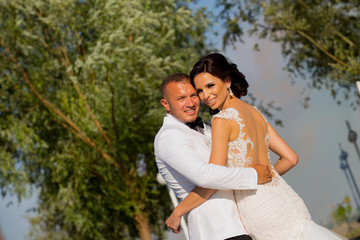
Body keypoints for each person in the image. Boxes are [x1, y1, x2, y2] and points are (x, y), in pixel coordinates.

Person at [166, 53, 347, 240]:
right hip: (285, 199)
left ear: (227, 81)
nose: (205, 96)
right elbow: (291, 158)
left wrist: (178, 211)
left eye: (210, 85)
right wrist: (265, 175)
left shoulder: (221, 120)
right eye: (200, 90)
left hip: (259, 208)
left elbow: (213, 179)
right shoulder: (255, 112)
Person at [154, 73, 273, 240]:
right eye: (181, 98)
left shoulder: (209, 128)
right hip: (217, 230)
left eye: (193, 95)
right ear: (166, 104)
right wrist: (253, 175)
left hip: (243, 225)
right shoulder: (169, 137)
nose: (190, 103)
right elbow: (205, 176)